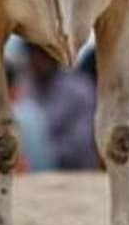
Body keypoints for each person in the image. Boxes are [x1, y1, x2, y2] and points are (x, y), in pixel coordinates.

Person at [19, 42, 99, 170]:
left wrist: (43, 155)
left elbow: (81, 144)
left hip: (76, 177)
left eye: (46, 52)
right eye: (36, 52)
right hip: (31, 178)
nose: (40, 58)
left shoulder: (80, 90)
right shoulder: (23, 90)